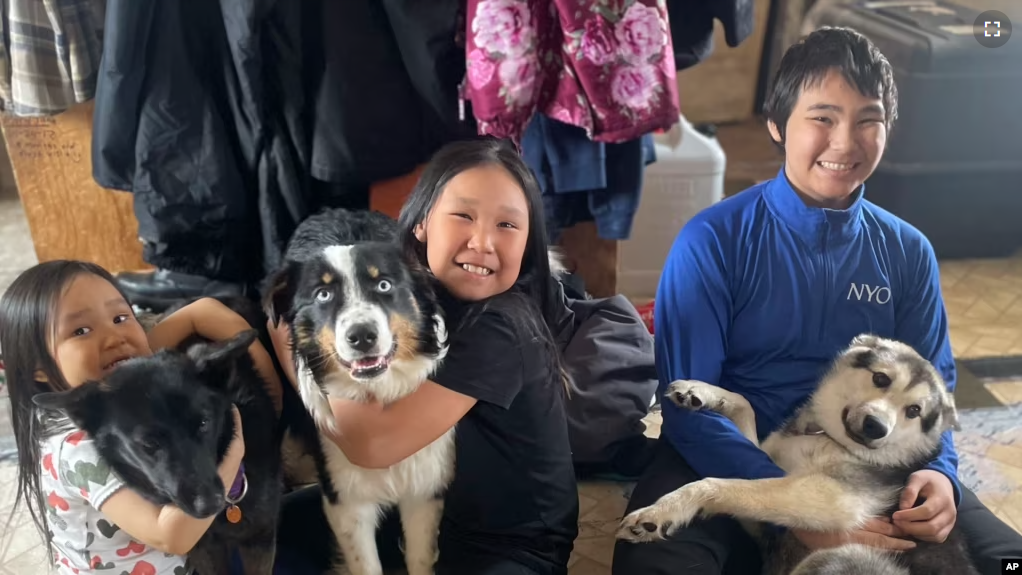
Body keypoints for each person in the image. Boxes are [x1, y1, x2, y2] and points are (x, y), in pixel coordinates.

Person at [612, 26, 1022, 575]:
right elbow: (690, 413)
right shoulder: (713, 240)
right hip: (728, 450)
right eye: (823, 117)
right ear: (777, 125)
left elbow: (934, 388)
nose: (845, 142)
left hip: (869, 465)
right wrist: (796, 508)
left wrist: (941, 474)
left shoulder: (907, 252)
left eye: (868, 120)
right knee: (653, 567)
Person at [269, 137, 580, 575]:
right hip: (420, 511)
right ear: (421, 225)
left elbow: (371, 443)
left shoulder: (500, 326)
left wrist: (292, 347)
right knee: (274, 531)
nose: (483, 242)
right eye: (463, 215)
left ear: (529, 243)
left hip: (506, 546)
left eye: (507, 225)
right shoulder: (422, 294)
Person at [1, 260, 283, 574]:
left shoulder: (118, 387)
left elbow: (193, 318)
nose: (114, 338)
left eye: (121, 317)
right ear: (36, 367)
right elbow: (173, 535)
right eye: (81, 330)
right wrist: (236, 451)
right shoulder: (79, 448)